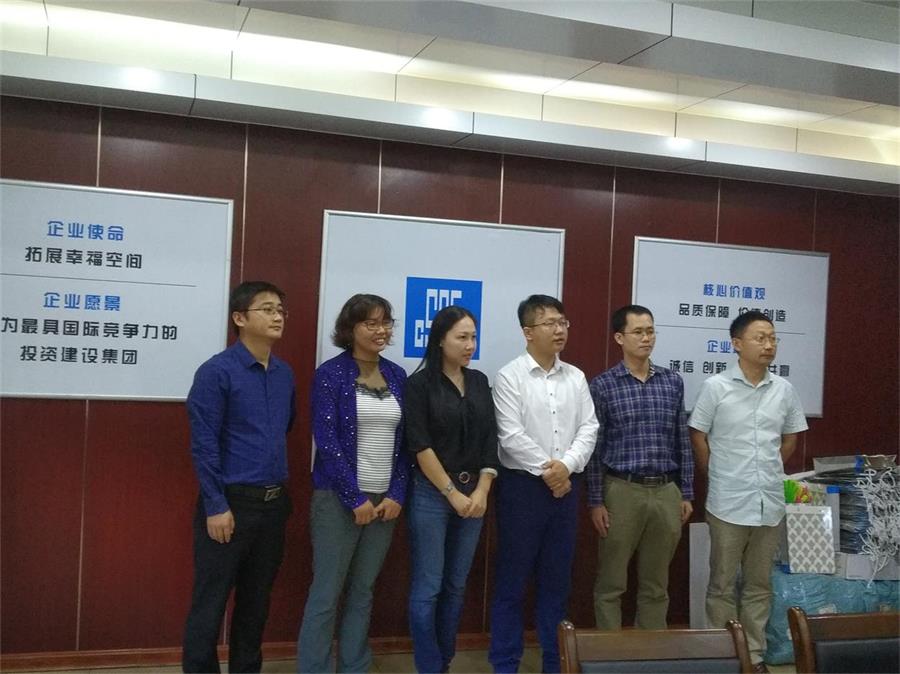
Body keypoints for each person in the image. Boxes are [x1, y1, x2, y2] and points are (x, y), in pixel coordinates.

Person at [182, 281, 295, 674]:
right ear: (240, 318)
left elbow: (286, 428)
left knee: (256, 603)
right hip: (229, 504)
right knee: (210, 603)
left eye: (280, 309)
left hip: (273, 505)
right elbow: (204, 444)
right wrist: (216, 505)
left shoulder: (283, 374)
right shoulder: (216, 372)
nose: (277, 316)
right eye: (267, 309)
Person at [689, 310, 808, 674]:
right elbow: (698, 435)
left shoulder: (784, 390)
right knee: (722, 584)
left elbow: (790, 439)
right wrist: (716, 472)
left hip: (768, 501)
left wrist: (766, 469)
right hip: (727, 501)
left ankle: (753, 657)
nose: (768, 345)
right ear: (737, 344)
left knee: (758, 585)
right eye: (760, 338)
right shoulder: (715, 387)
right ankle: (724, 656)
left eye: (772, 338)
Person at [297, 293, 409, 674]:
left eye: (385, 322)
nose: (381, 330)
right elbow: (326, 441)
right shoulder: (331, 374)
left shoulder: (397, 376)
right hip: (337, 499)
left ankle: (355, 666)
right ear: (350, 328)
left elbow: (406, 443)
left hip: (384, 502)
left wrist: (396, 493)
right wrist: (354, 497)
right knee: (326, 592)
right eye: (370, 323)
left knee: (363, 591)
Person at [489, 294, 599, 674]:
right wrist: (550, 472)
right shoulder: (510, 376)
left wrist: (566, 467)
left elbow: (589, 428)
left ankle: (555, 663)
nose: (559, 329)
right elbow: (510, 435)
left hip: (566, 491)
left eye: (563, 322)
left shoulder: (576, 377)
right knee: (512, 581)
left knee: (557, 583)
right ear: (528, 332)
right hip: (522, 491)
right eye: (550, 323)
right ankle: (505, 664)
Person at [586, 305, 694, 631]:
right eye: (638, 332)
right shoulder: (603, 385)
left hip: (665, 491)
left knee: (656, 585)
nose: (646, 338)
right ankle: (611, 653)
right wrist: (596, 501)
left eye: (650, 331)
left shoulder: (672, 382)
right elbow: (595, 448)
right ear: (619, 338)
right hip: (622, 490)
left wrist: (686, 492)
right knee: (611, 583)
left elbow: (682, 439)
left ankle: (651, 653)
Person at [404, 305, 499, 674]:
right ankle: (428, 665)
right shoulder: (419, 385)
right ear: (440, 340)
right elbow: (420, 445)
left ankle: (444, 661)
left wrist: (482, 490)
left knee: (456, 585)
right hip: (432, 494)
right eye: (462, 337)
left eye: (473, 337)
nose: (470, 344)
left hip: (475, 493)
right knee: (428, 586)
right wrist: (451, 493)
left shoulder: (478, 381)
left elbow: (490, 439)